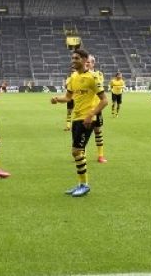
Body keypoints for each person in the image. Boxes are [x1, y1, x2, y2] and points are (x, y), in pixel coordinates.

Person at [51, 49, 108, 197]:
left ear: (84, 60)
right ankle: (80, 184)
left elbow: (104, 100)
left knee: (76, 151)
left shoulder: (93, 77)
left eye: (76, 58)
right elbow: (69, 97)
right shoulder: (73, 77)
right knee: (78, 152)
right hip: (76, 119)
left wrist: (91, 114)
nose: (73, 60)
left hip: (86, 120)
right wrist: (57, 99)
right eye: (72, 58)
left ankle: (84, 185)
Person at [86, 55, 107, 163]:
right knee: (83, 132)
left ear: (93, 64)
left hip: (96, 108)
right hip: (84, 108)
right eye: (85, 62)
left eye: (88, 62)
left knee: (98, 131)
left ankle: (100, 155)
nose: (86, 64)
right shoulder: (80, 75)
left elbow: (98, 87)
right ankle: (80, 154)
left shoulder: (98, 74)